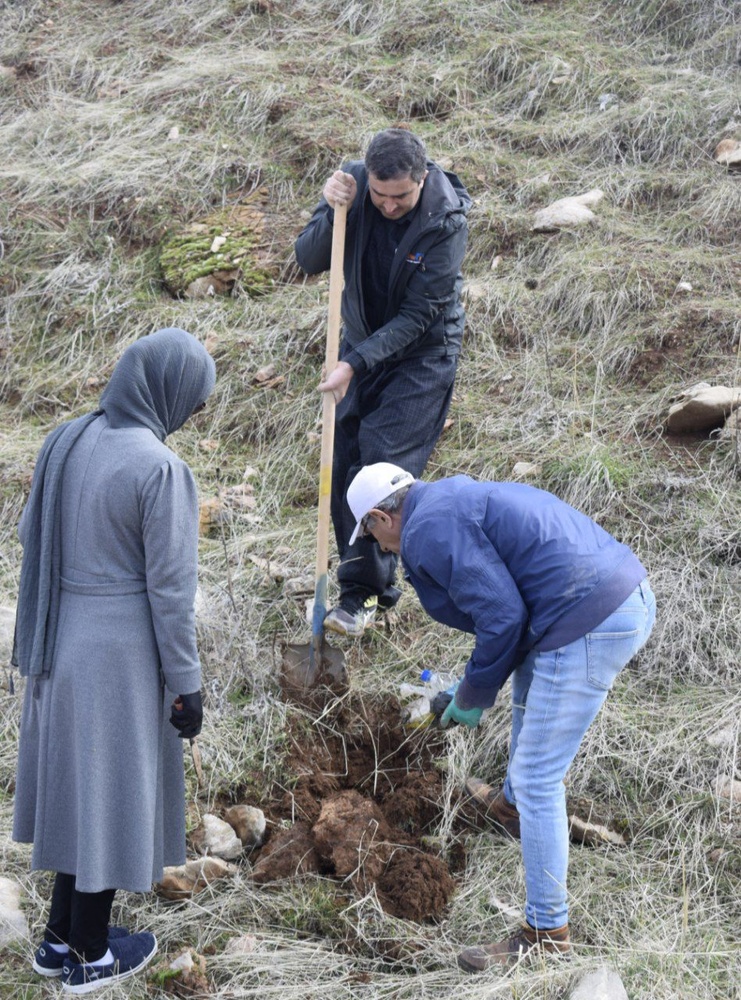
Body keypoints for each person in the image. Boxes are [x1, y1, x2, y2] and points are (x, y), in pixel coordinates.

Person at [344, 462, 657, 970]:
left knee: (539, 779)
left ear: (383, 516)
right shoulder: (445, 501)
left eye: (373, 533)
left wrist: (471, 698)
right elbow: (512, 612)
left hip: (589, 617)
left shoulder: (426, 531)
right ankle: (512, 809)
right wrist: (465, 688)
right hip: (605, 598)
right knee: (529, 699)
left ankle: (546, 933)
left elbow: (502, 617)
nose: (380, 547)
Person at [12, 327, 216, 995]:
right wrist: (186, 686)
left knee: (79, 793)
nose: (188, 415)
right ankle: (94, 955)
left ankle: (56, 937)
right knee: (103, 799)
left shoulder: (66, 440)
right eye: (192, 401)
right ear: (166, 390)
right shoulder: (158, 467)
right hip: (118, 656)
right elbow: (169, 592)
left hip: (60, 642)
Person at [295, 127, 471, 636]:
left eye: (400, 197)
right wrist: (332, 209)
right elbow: (309, 259)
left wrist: (355, 363)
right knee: (345, 455)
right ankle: (354, 581)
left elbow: (419, 316)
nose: (389, 206)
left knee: (379, 463)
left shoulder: (446, 220)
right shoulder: (352, 189)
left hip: (422, 355)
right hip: (361, 341)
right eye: (380, 194)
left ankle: (365, 593)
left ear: (422, 178)